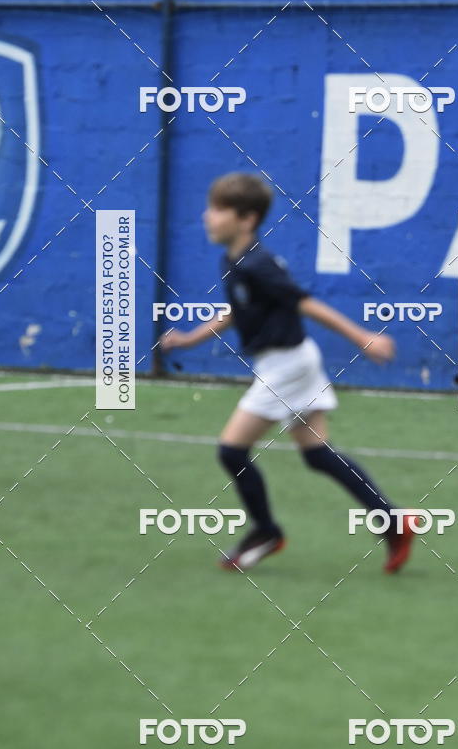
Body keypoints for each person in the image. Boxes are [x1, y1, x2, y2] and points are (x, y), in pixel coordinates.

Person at [160, 172, 418, 573]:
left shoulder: (259, 264)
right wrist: (192, 338)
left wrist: (362, 337)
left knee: (231, 450)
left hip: (287, 366)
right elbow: (235, 312)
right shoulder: (234, 260)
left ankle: (266, 531)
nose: (206, 216)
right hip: (294, 360)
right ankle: (392, 521)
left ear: (246, 219)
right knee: (317, 454)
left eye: (217, 209)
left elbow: (305, 304)